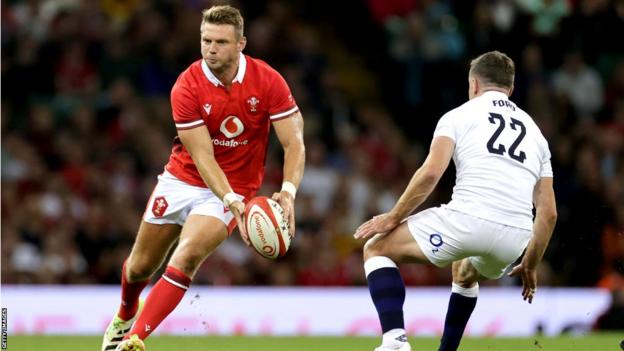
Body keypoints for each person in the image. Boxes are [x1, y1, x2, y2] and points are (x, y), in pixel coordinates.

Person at [101, 5, 305, 351]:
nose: (211, 49)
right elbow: (202, 155)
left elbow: (294, 142)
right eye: (205, 40)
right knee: (138, 268)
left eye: (221, 42)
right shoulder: (187, 86)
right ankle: (123, 316)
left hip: (236, 189)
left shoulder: (268, 80)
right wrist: (229, 199)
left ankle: (135, 339)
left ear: (241, 43)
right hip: (182, 180)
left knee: (187, 255)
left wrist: (288, 191)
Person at [354, 51, 557, 351]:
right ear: (510, 89)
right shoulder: (537, 135)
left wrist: (393, 217)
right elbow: (549, 213)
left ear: (474, 84)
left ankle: (395, 340)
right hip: (515, 239)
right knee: (464, 272)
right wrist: (530, 263)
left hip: (468, 220)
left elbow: (430, 174)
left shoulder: (459, 115)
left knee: (376, 248)